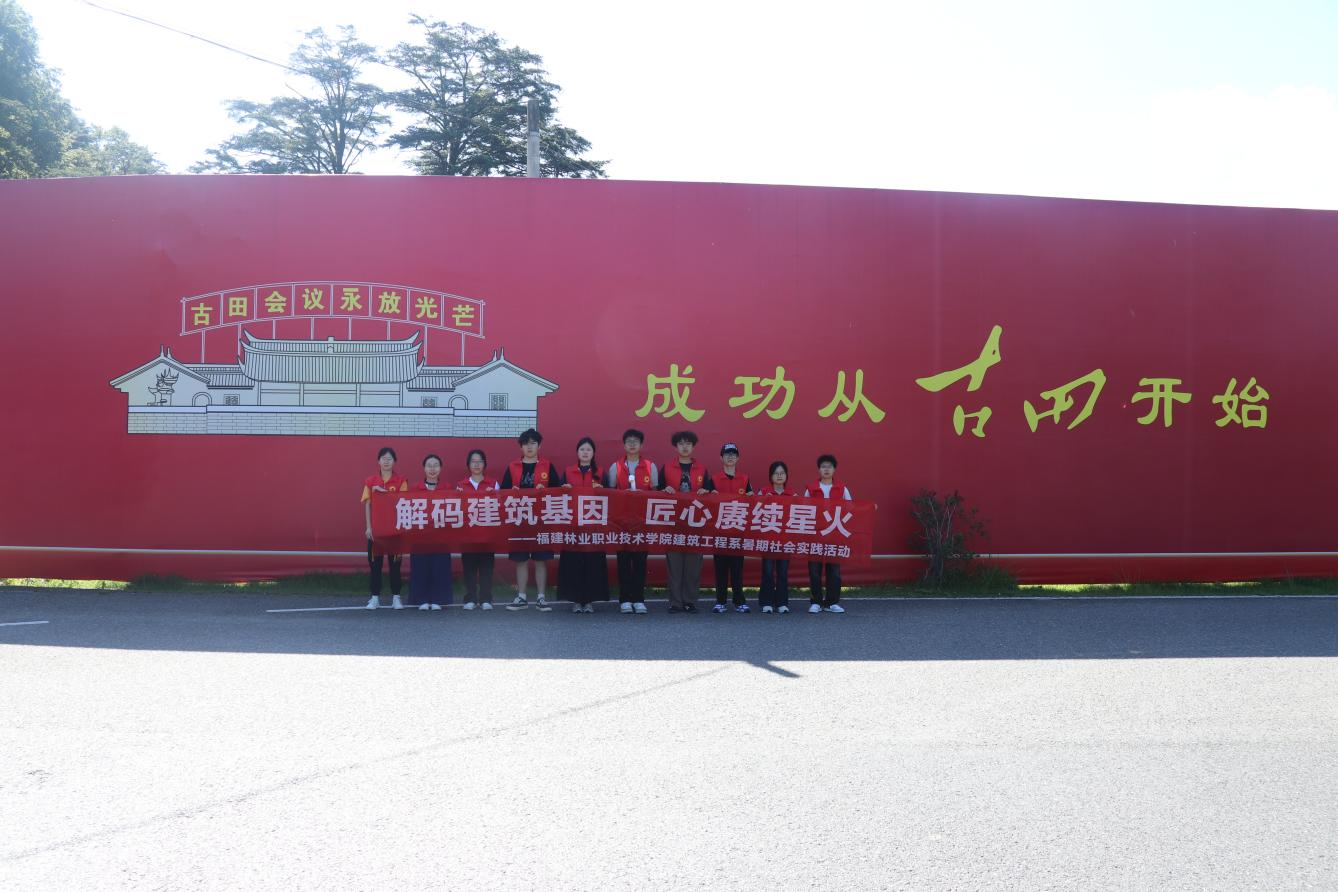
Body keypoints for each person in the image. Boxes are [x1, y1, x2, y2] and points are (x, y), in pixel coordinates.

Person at [500, 429, 560, 611]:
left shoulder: (548, 466)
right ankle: (522, 597)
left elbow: (558, 493)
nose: (529, 447)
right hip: (520, 520)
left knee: (541, 560)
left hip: (541, 520)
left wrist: (545, 490)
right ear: (521, 447)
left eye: (533, 443)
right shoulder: (512, 466)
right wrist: (512, 492)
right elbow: (502, 493)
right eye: (526, 443)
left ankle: (541, 598)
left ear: (539, 446)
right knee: (521, 560)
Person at [606, 428, 658, 615]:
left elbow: (656, 494)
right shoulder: (616, 467)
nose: (632, 444)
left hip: (642, 523)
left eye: (636, 441)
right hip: (621, 523)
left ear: (641, 445)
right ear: (624, 445)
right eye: (629, 441)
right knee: (623, 562)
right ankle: (625, 599)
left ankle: (639, 599)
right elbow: (610, 494)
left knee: (640, 562)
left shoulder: (650, 466)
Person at [661, 430, 713, 613]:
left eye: (688, 444)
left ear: (693, 447)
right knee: (674, 565)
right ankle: (675, 602)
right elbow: (656, 494)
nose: (685, 447)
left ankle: (690, 601)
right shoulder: (667, 467)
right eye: (681, 443)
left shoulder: (702, 469)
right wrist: (664, 490)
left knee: (693, 565)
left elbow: (710, 494)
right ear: (676, 447)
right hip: (673, 522)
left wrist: (706, 492)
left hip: (695, 523)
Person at [559, 437, 610, 613]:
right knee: (573, 563)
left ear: (593, 453)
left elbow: (611, 496)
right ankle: (575, 600)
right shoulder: (568, 471)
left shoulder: (601, 472)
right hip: (573, 525)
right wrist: (564, 489)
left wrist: (603, 490)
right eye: (582, 449)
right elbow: (558, 497)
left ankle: (588, 601)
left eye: (588, 449)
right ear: (577, 452)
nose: (585, 452)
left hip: (593, 525)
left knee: (591, 563)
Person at [361, 446, 409, 610]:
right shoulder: (370, 481)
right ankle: (375, 598)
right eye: (383, 458)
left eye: (390, 459)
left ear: (394, 462)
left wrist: (384, 493)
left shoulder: (401, 480)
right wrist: (369, 528)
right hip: (376, 531)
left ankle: (396, 597)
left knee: (395, 566)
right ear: (378, 461)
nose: (386, 461)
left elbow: (404, 502)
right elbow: (367, 505)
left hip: (394, 531)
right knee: (375, 565)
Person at [804, 454, 853, 614]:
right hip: (816, 534)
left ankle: (832, 602)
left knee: (834, 571)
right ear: (819, 469)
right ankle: (816, 602)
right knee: (814, 570)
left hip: (835, 533)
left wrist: (869, 508)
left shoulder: (842, 488)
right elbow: (804, 510)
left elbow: (851, 508)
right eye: (823, 466)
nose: (826, 469)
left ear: (834, 469)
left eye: (829, 466)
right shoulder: (811, 489)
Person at [711, 442, 752, 614]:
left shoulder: (745, 479)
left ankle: (739, 601)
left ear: (738, 458)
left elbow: (752, 502)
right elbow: (706, 504)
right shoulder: (713, 479)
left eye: (733, 454)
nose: (730, 457)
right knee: (720, 569)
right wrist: (709, 495)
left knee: (737, 570)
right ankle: (720, 601)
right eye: (727, 454)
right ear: (721, 458)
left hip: (737, 531)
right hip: (720, 532)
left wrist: (751, 497)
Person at [456, 449, 499, 610]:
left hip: (488, 534)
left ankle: (486, 598)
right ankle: (470, 598)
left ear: (484, 464)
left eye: (479, 461)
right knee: (469, 568)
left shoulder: (493, 484)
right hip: (467, 534)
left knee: (487, 567)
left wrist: (494, 495)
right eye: (473, 461)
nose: (476, 465)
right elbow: (456, 509)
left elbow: (501, 506)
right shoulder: (461, 485)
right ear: (468, 464)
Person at [409, 454, 452, 611]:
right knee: (421, 567)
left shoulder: (447, 488)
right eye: (429, 465)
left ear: (440, 468)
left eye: (435, 465)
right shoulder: (415, 488)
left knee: (440, 567)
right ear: (424, 468)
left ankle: (438, 599)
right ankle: (421, 599)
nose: (432, 469)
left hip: (441, 535)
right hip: (420, 535)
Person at [758, 461, 797, 614]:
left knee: (782, 572)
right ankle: (766, 602)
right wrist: (762, 500)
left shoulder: (792, 494)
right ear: (771, 476)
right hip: (768, 539)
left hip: (785, 540)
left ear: (786, 476)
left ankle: (782, 602)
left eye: (782, 473)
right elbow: (754, 512)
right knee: (767, 572)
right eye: (776, 473)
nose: (779, 476)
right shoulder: (764, 492)